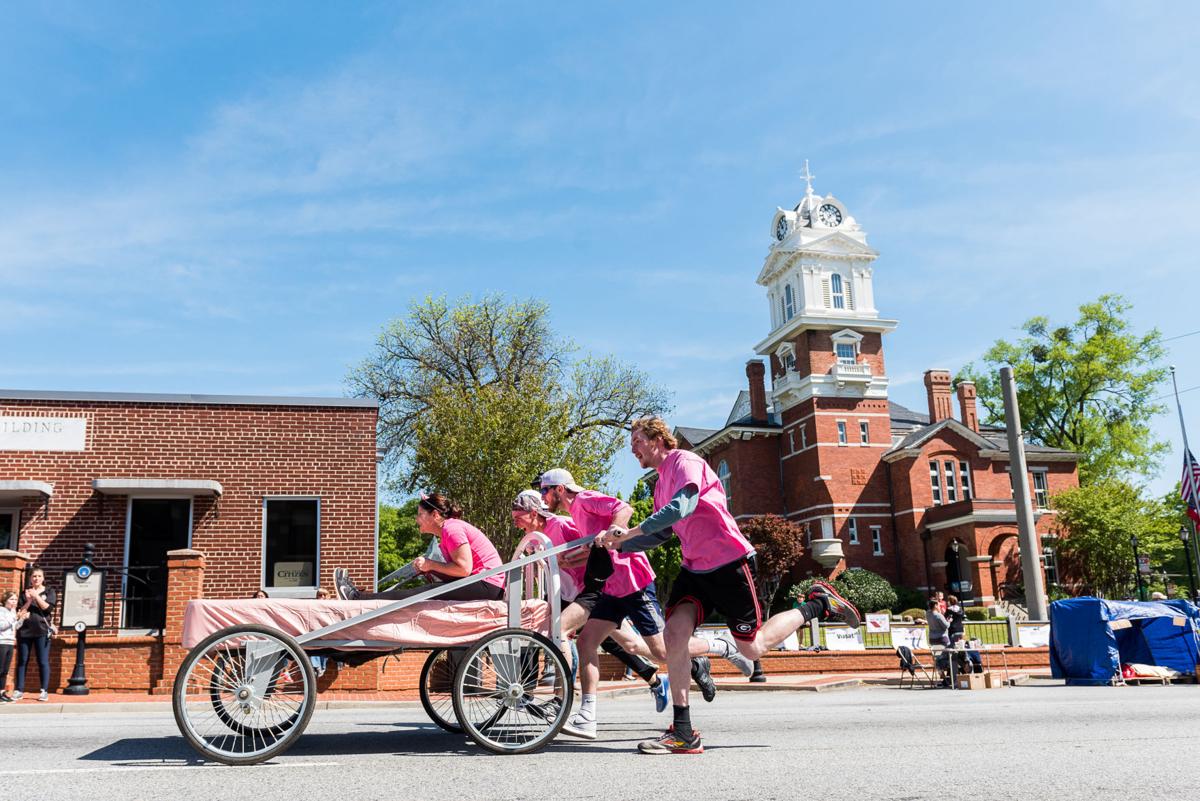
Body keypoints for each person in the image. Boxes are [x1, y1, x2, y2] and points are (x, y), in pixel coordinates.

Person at [600, 417, 861, 754]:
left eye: (637, 440)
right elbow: (662, 533)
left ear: (657, 439)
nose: (632, 448)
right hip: (695, 569)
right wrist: (619, 545)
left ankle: (817, 603)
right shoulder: (660, 483)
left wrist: (629, 533)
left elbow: (682, 508)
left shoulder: (684, 461)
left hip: (729, 563)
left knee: (752, 648)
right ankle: (683, 732)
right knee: (674, 636)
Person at [539, 468, 736, 741]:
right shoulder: (575, 514)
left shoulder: (584, 499)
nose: (542, 496)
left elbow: (624, 508)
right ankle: (587, 717)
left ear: (559, 489)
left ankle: (720, 644)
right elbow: (599, 549)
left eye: (544, 490)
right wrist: (570, 560)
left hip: (633, 582)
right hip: (611, 588)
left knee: (662, 651)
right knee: (586, 643)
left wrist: (612, 529)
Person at [510, 489, 672, 714]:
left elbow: (594, 549)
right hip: (568, 595)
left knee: (560, 630)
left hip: (591, 590)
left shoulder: (561, 525)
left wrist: (571, 560)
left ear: (534, 513)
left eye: (518, 517)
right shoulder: (533, 541)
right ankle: (660, 678)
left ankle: (559, 700)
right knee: (628, 644)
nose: (515, 523)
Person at [334, 493, 505, 602]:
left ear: (435, 515)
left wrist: (430, 564)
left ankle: (357, 598)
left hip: (487, 584)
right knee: (425, 591)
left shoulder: (452, 529)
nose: (417, 519)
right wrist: (430, 569)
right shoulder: (447, 532)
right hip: (483, 582)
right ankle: (362, 597)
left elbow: (464, 569)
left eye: (420, 514)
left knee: (424, 593)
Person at [14, 565, 56, 702]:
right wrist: (29, 600)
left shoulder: (49, 591)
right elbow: (20, 612)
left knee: (42, 661)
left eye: (39, 576)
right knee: (22, 661)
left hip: (42, 631)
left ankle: (44, 691)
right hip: (24, 631)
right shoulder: (24, 593)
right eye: (34, 576)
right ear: (30, 578)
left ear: (43, 578)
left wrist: (36, 596)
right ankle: (19, 690)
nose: (36, 578)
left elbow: (48, 608)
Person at [945, 594, 981, 675]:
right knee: (962, 647)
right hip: (960, 630)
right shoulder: (960, 609)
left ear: (950, 601)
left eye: (948, 601)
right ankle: (966, 660)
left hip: (952, 630)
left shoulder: (949, 610)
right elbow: (962, 617)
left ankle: (954, 669)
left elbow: (945, 619)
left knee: (953, 650)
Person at [1, 590, 26, 702]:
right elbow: (2, 626)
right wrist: (15, 617)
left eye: (15, 599)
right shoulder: (1, 611)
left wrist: (22, 619)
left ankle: (2, 693)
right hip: (2, 642)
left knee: (5, 670)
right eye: (11, 599)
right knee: (0, 669)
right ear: (5, 600)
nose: (14, 601)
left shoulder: (13, 612)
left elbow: (16, 627)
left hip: (10, 642)